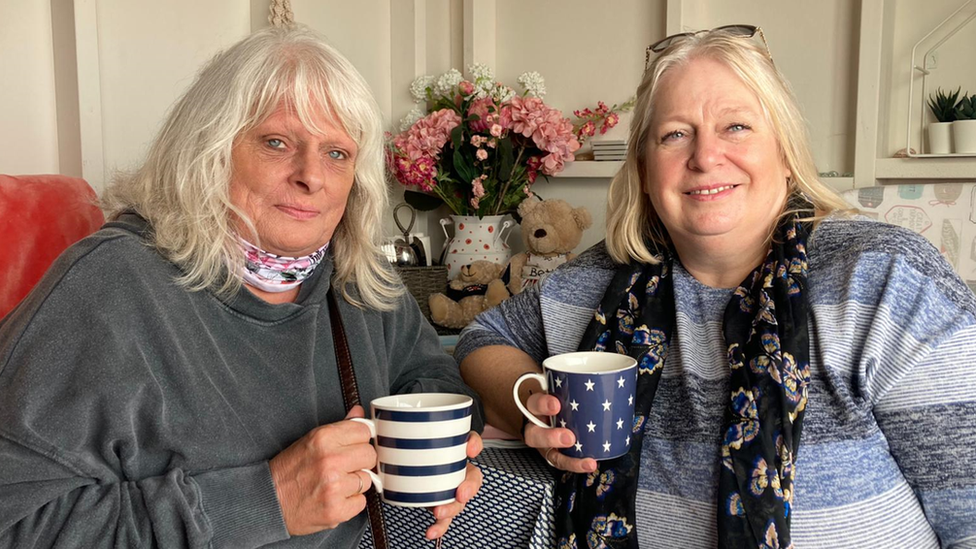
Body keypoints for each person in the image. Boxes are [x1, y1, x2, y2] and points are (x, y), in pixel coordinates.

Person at [457, 25, 976, 549]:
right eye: (674, 134)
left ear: (786, 147)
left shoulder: (885, 279)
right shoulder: (600, 275)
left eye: (736, 127)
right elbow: (482, 339)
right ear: (643, 166)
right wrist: (537, 406)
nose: (705, 157)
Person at [0, 26, 484, 548]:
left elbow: (430, 378)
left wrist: (445, 448)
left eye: (337, 154)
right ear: (208, 150)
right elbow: (17, 525)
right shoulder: (108, 287)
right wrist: (266, 501)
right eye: (277, 143)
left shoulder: (358, 275)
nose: (311, 177)